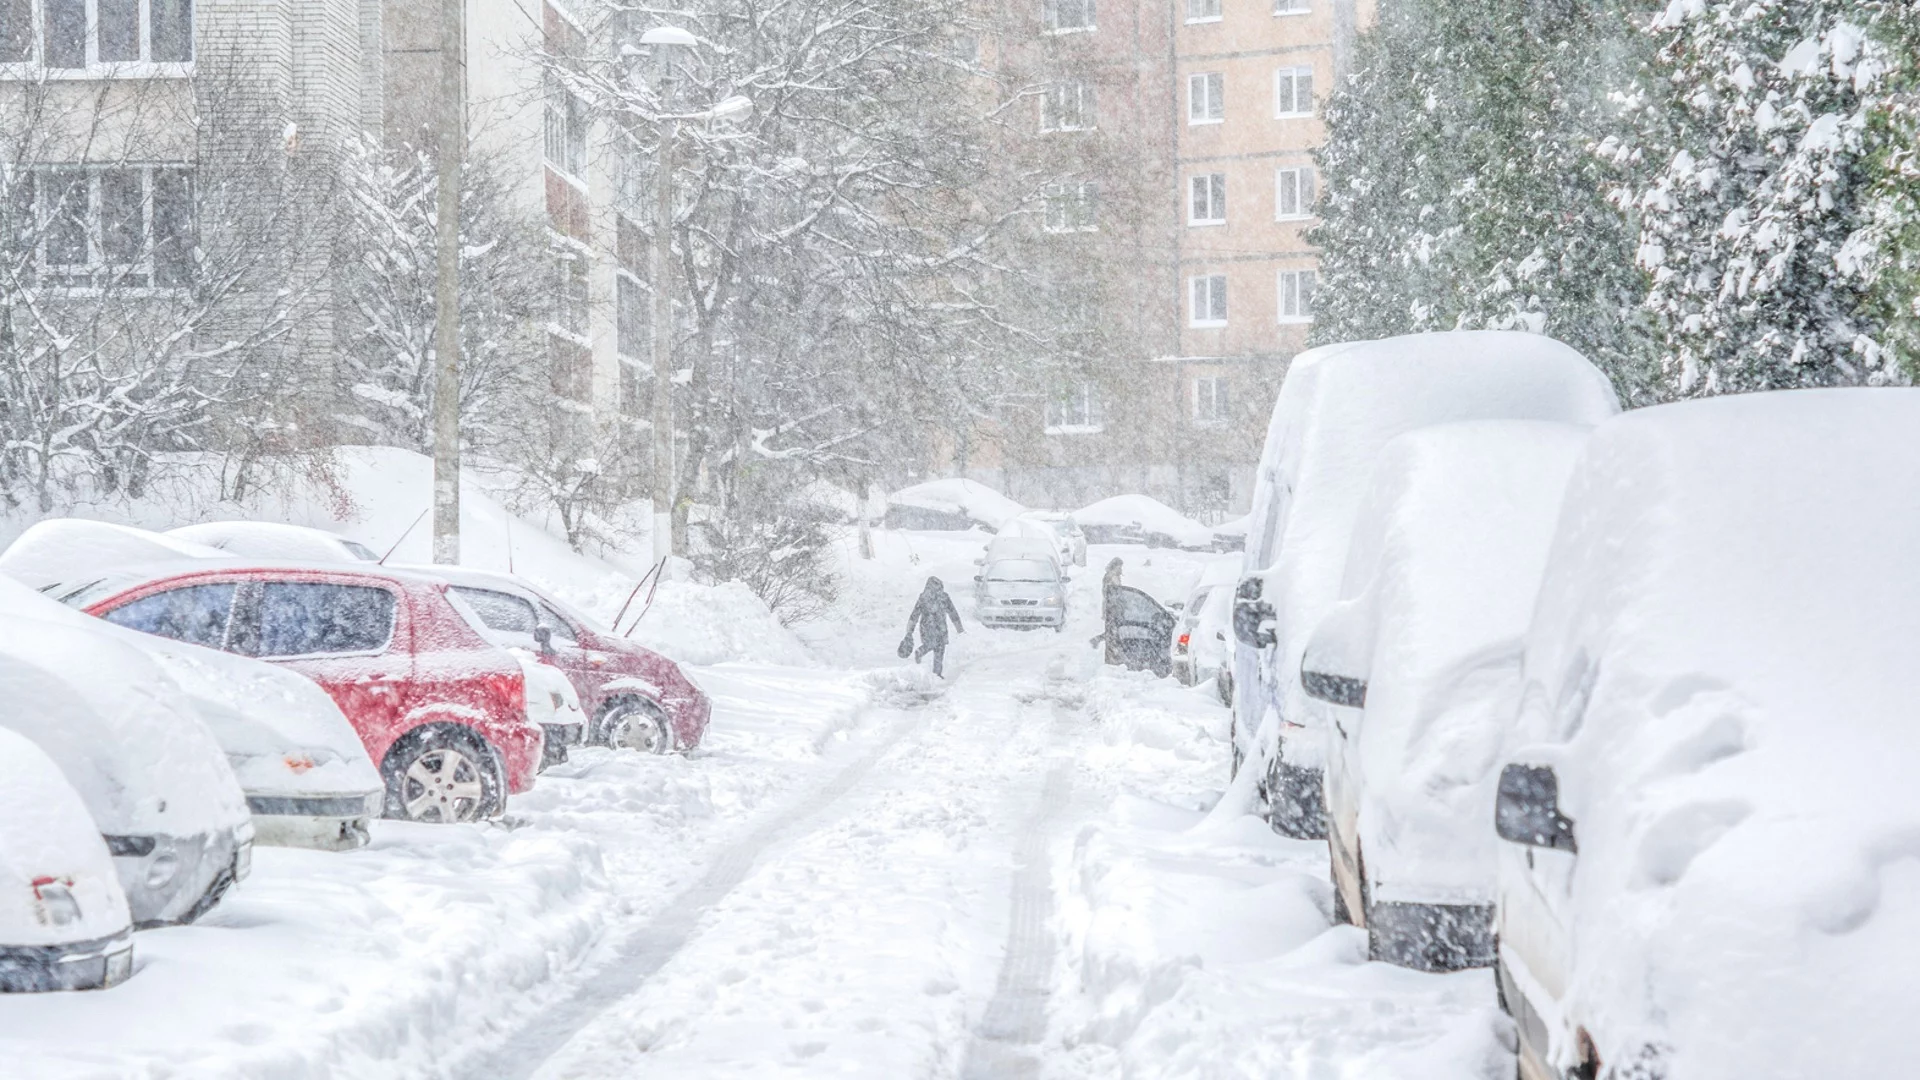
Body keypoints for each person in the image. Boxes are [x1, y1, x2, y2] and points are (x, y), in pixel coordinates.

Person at [902, 576, 964, 677]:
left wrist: (910, 630)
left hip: (926, 627)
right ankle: (937, 673)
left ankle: (922, 652)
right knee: (939, 649)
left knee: (930, 644)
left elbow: (915, 615)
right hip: (940, 627)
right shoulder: (944, 597)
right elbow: (953, 613)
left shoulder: (923, 597)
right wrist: (959, 628)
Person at [1101, 558, 1125, 665]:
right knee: (1112, 633)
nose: (1121, 569)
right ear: (1115, 566)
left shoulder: (1113, 576)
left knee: (1112, 632)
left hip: (1113, 609)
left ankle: (1112, 655)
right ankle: (1111, 657)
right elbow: (1110, 594)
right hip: (1112, 609)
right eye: (1119, 566)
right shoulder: (1111, 577)